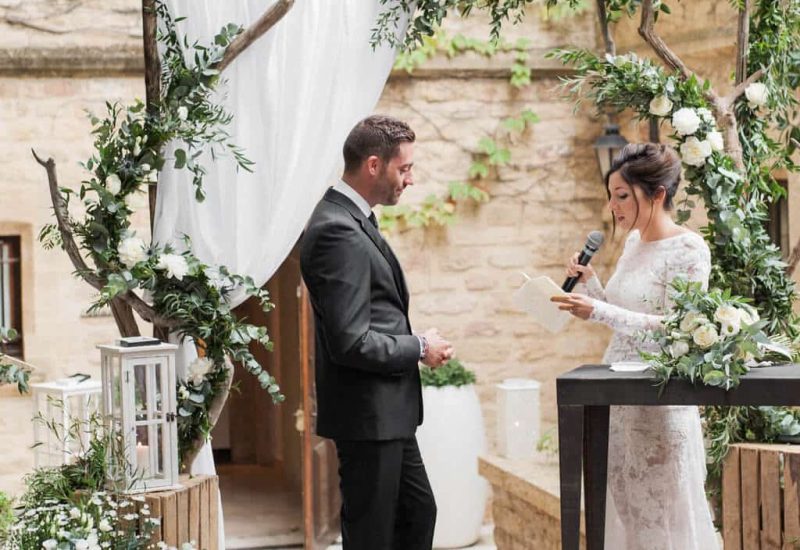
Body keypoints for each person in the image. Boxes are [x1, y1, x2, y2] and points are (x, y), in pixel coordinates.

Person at [552, 143, 719, 549]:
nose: (613, 206)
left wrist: (598, 312)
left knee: (661, 520)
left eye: (622, 196)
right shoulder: (632, 244)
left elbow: (678, 330)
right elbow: (622, 315)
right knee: (624, 513)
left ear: (657, 194)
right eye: (611, 196)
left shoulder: (689, 250)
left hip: (660, 401)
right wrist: (591, 284)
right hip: (616, 396)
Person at [300, 115, 454, 550]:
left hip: (387, 416)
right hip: (368, 417)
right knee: (373, 536)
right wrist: (419, 346)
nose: (411, 179)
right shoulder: (338, 230)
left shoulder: (353, 219)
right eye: (403, 169)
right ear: (373, 165)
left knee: (417, 514)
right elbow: (351, 340)